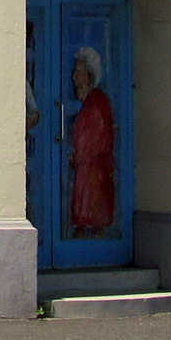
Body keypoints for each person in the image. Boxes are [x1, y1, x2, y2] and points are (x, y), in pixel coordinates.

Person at [66, 47, 117, 237]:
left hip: (94, 177)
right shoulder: (91, 103)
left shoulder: (97, 103)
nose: (74, 78)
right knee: (86, 222)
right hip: (88, 175)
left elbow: (92, 140)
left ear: (90, 76)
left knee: (92, 222)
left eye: (79, 73)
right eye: (74, 73)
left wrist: (75, 157)